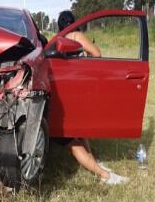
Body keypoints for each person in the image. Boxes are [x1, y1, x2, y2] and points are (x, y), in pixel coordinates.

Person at [55, 10, 129, 185]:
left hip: (64, 90)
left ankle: (94, 163)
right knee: (72, 139)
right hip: (77, 90)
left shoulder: (57, 40)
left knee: (77, 131)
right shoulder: (77, 35)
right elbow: (97, 53)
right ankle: (104, 175)